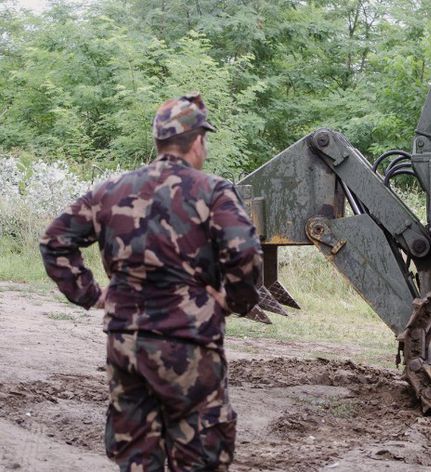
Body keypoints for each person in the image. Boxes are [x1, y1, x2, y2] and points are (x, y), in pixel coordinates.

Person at [39, 93, 263, 471]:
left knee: (138, 457)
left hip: (126, 345)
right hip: (187, 345)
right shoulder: (212, 191)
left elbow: (54, 240)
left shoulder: (111, 191)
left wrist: (92, 294)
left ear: (159, 142)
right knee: (199, 456)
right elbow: (243, 251)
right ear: (197, 142)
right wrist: (234, 300)